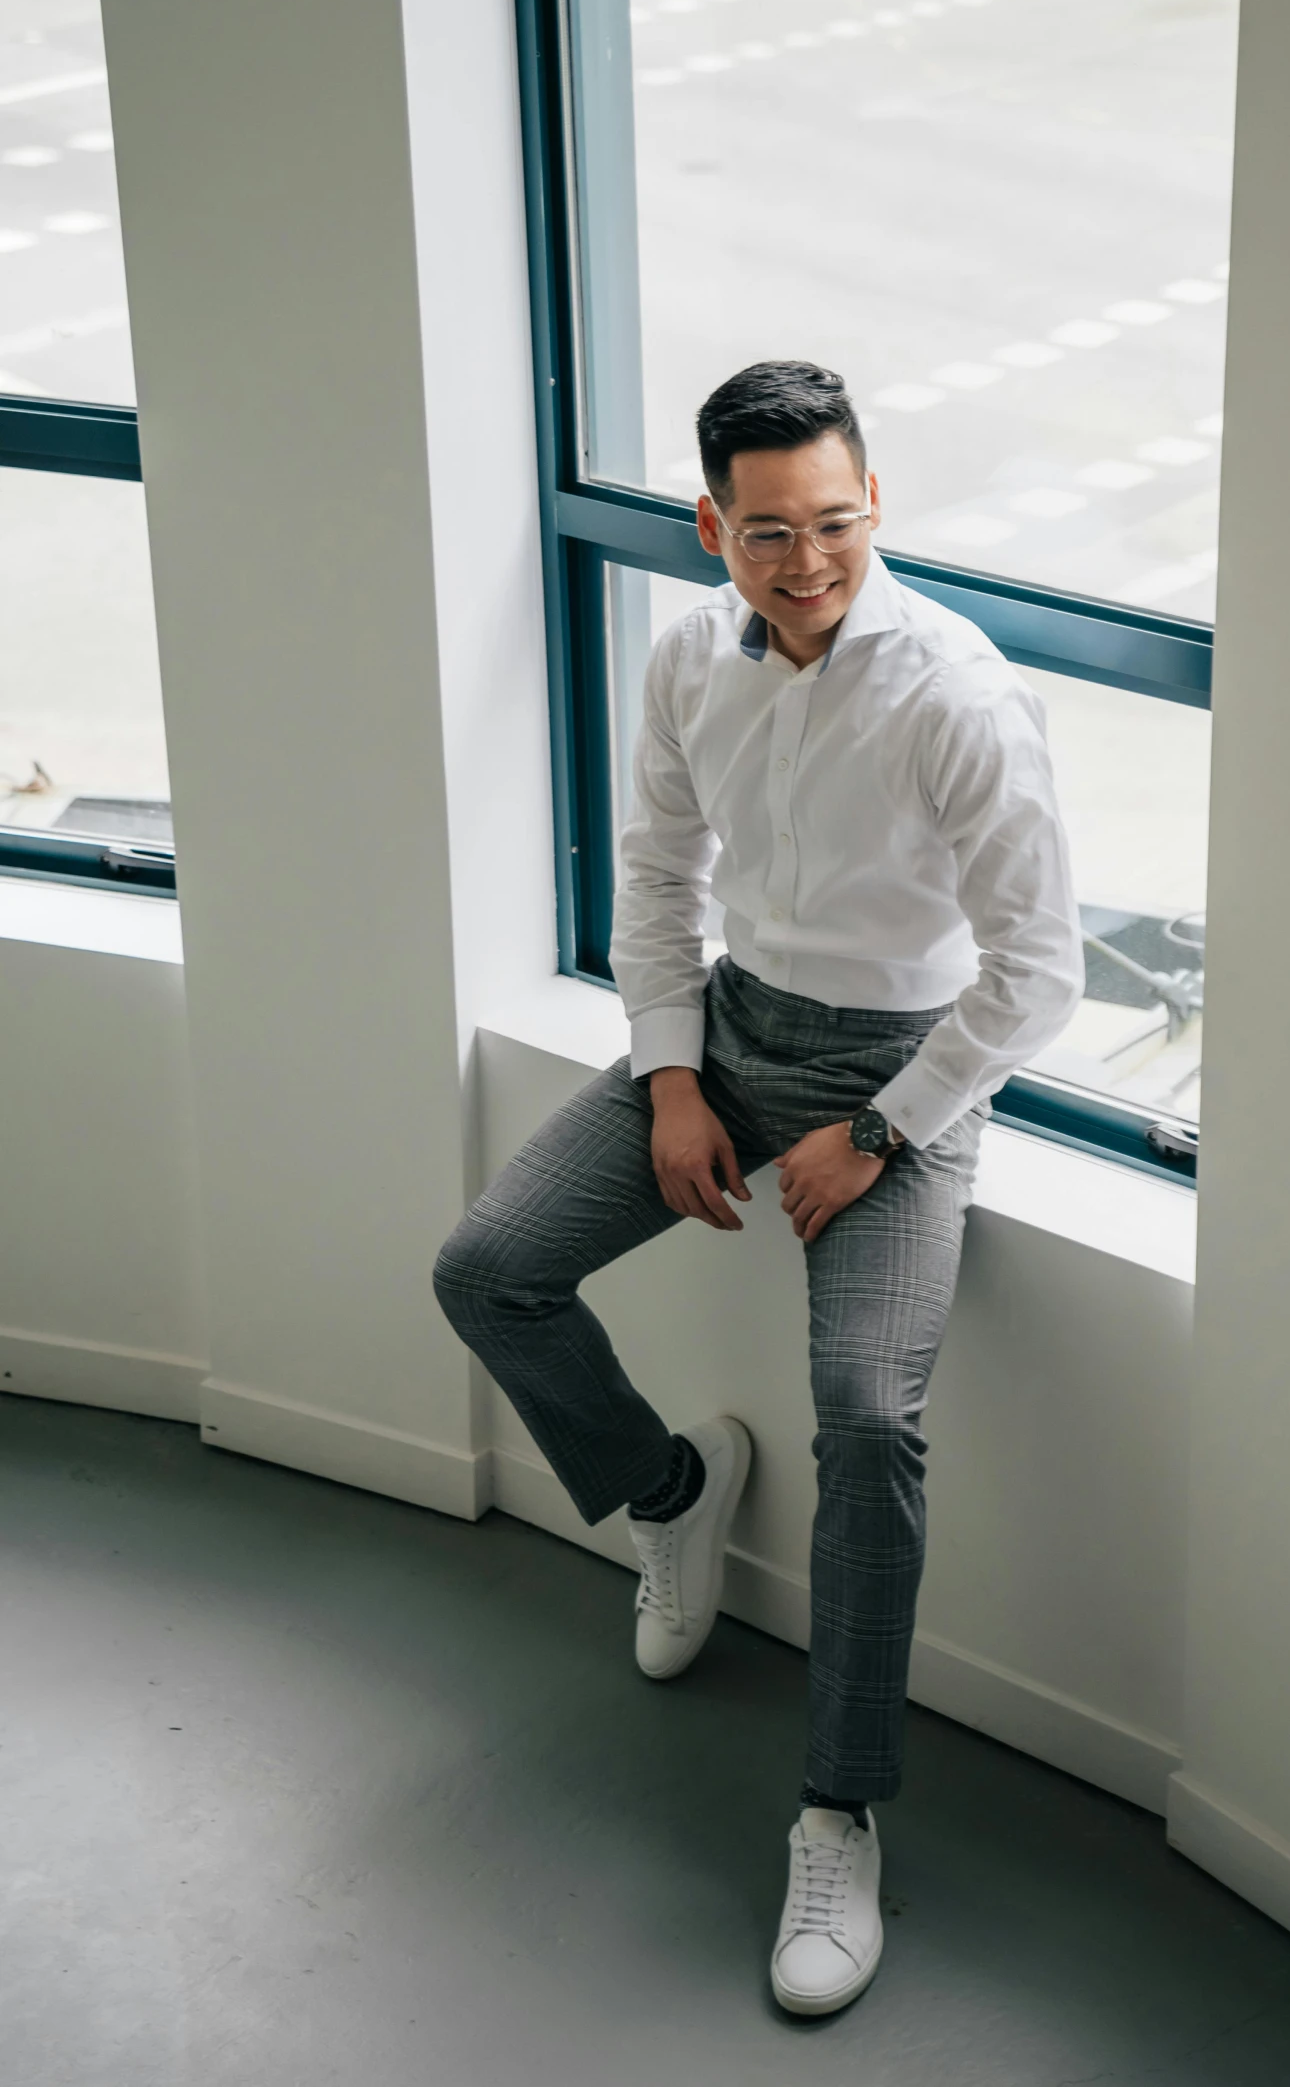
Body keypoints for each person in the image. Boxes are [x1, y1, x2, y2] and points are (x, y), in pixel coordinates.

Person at [434, 361, 1083, 2016]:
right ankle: (668, 1498)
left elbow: (1040, 976)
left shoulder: (959, 697)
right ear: (712, 525)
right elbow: (658, 875)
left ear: (881, 511)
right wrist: (667, 1076)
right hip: (722, 1038)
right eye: (770, 532)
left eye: (840, 525)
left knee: (868, 1418)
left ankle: (840, 1804)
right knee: (487, 1266)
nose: (808, 565)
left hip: (901, 1085)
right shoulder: (682, 660)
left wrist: (877, 1131)